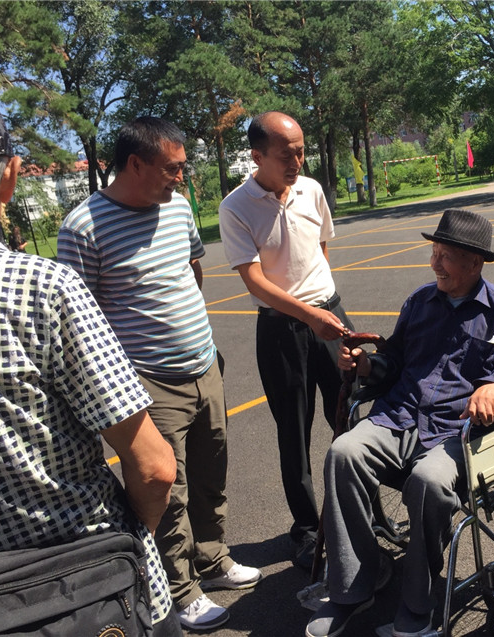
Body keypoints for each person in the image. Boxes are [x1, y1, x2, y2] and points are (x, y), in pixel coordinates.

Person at [0, 81, 181, 635]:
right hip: (92, 590)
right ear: (9, 177)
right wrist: (138, 537)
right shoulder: (38, 285)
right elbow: (154, 468)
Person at [305, 208, 494, 637]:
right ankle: (354, 587)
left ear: (474, 263)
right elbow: (396, 360)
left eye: (445, 256)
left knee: (428, 480)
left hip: (459, 429)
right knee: (343, 453)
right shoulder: (419, 302)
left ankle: (419, 603)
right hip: (402, 414)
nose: (434, 263)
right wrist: (367, 366)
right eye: (434, 252)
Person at [57, 116, 261, 630]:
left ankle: (212, 558)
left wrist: (193, 337)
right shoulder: (83, 227)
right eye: (172, 168)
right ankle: (179, 589)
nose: (181, 177)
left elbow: (192, 270)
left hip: (204, 364)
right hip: (147, 380)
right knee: (169, 489)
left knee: (212, 472)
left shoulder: (178, 208)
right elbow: (80, 319)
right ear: (135, 164)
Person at [219, 111, 353, 570]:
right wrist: (307, 313)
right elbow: (254, 280)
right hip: (282, 331)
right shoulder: (236, 207)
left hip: (330, 317)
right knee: (293, 433)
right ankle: (308, 530)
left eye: (301, 151)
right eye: (285, 155)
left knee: (351, 419)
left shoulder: (311, 190)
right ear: (257, 156)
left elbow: (320, 249)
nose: (296, 162)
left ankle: (364, 513)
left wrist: (322, 305)